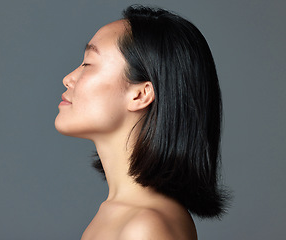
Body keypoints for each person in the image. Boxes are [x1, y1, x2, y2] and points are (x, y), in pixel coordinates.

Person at [55, 5, 229, 240]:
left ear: (140, 95)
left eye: (87, 64)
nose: (68, 79)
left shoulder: (146, 226)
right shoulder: (117, 214)